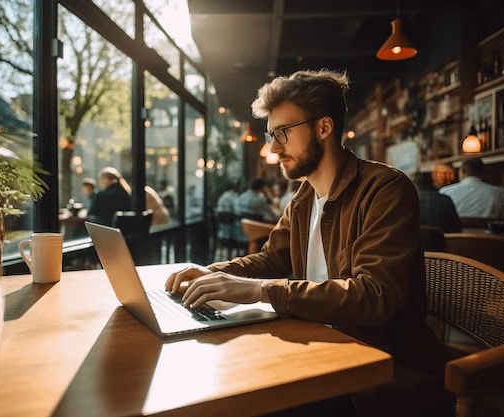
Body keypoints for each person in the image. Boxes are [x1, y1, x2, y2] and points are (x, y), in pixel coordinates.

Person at [165, 69, 453, 416]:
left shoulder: (385, 189)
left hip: (375, 374)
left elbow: (374, 296)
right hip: (317, 349)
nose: (273, 148)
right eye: (271, 134)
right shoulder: (303, 197)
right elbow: (271, 259)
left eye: (283, 133)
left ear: (324, 127)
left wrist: (258, 291)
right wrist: (210, 272)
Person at [439, 157, 504, 219]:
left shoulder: (445, 192)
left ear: (462, 171)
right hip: (487, 233)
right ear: (481, 173)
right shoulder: (498, 192)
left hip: (456, 233)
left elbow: (441, 217)